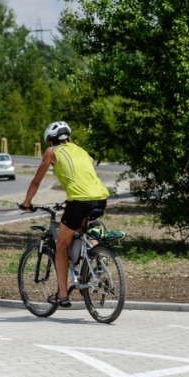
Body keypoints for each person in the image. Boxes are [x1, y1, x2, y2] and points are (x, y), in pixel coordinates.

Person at [20, 121, 109, 307]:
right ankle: (99, 254)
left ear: (51, 141)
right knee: (82, 229)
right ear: (68, 137)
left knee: (61, 244)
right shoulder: (81, 150)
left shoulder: (52, 153)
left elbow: (36, 182)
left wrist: (27, 203)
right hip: (100, 198)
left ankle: (62, 295)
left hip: (79, 201)